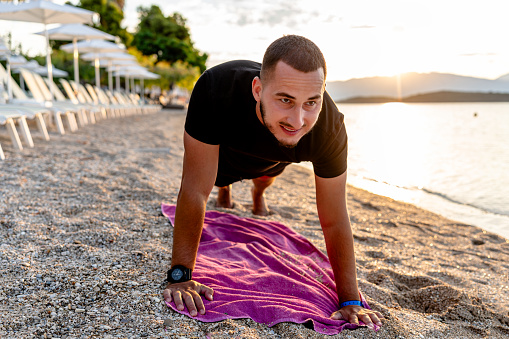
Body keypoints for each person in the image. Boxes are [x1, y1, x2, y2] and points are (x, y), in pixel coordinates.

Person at [162, 35, 383, 330]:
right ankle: (227, 188)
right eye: (285, 100)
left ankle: (257, 194)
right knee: (215, 182)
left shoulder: (328, 127)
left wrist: (350, 301)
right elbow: (194, 189)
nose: (298, 118)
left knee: (265, 178)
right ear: (257, 89)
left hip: (274, 158)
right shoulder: (216, 88)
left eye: (311, 103)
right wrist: (181, 276)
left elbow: (334, 219)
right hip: (225, 153)